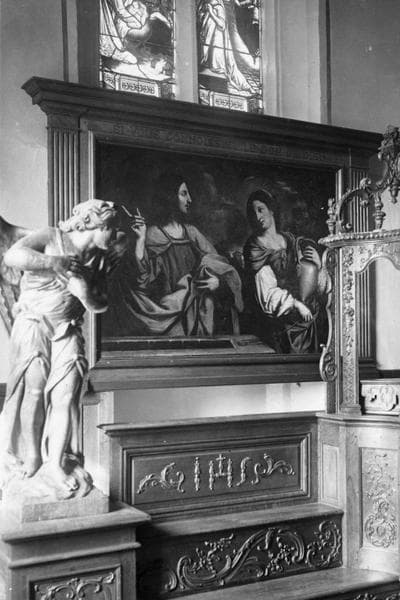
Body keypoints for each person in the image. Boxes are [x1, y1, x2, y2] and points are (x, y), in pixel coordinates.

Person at [0, 199, 118, 499]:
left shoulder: (100, 259)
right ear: (93, 224)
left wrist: (85, 294)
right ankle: (32, 458)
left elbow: (101, 303)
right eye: (110, 228)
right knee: (34, 392)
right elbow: (12, 255)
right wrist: (55, 263)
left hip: (68, 329)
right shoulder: (52, 236)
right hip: (34, 324)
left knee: (65, 396)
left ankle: (54, 464)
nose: (114, 235)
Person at [107, 172, 243, 337]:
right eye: (184, 193)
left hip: (198, 314)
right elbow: (141, 282)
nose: (189, 199)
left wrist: (218, 282)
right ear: (169, 196)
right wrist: (140, 239)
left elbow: (218, 264)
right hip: (169, 318)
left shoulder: (191, 233)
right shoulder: (153, 234)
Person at [244, 190, 328, 354]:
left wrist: (318, 264)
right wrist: (297, 304)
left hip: (306, 310)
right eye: (253, 213)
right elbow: (267, 294)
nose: (257, 216)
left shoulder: (289, 239)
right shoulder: (255, 248)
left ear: (271, 210)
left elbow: (304, 273)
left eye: (260, 209)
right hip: (280, 318)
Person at [198, 0, 254, 94]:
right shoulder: (208, 8)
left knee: (223, 67)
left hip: (218, 45)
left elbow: (222, 25)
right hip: (208, 47)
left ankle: (247, 87)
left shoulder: (219, 8)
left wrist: (211, 12)